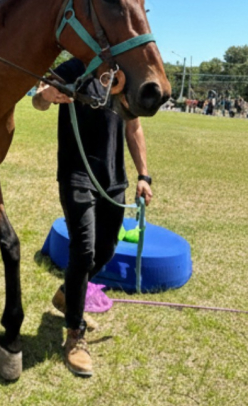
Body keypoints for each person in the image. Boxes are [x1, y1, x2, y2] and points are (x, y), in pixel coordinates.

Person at [33, 57, 154, 378]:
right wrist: (46, 95)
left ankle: (66, 294)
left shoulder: (126, 75)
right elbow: (38, 98)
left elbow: (134, 126)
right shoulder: (74, 68)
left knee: (106, 250)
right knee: (83, 249)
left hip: (113, 180)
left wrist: (144, 175)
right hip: (76, 175)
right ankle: (75, 333)